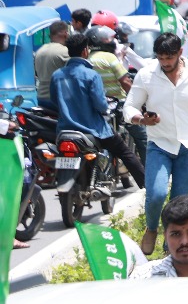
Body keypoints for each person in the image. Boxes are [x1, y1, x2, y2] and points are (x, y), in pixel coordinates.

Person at [124, 32, 188, 255]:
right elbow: (129, 106)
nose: (165, 63)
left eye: (169, 58)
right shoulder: (146, 74)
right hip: (159, 143)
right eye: (161, 58)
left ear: (180, 53)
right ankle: (151, 229)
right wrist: (141, 119)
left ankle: (168, 247)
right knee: (157, 194)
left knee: (179, 202)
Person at [50, 32, 146, 187]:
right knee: (125, 152)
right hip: (93, 129)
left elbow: (55, 101)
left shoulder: (57, 75)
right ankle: (147, 188)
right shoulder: (91, 75)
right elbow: (101, 105)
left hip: (64, 130)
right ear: (85, 51)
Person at [86, 25, 131, 102]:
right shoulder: (109, 57)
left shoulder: (86, 59)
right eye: (106, 38)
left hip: (97, 104)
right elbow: (125, 81)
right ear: (97, 40)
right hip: (117, 104)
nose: (110, 40)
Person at [34, 21, 70, 110]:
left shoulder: (40, 51)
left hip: (41, 97)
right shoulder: (65, 51)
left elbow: (37, 74)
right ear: (66, 34)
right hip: (58, 98)